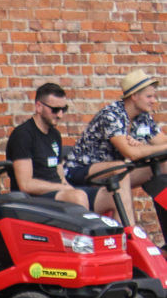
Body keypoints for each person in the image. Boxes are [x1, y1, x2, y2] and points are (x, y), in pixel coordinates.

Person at [6, 82, 118, 213]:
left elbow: (59, 173)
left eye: (63, 109)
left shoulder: (54, 134)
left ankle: (123, 233)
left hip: (57, 193)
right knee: (77, 196)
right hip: (33, 199)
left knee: (113, 196)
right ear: (39, 107)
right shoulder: (23, 135)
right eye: (55, 110)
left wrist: (67, 186)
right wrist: (63, 188)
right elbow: (26, 184)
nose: (60, 115)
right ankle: (83, 233)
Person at [64, 70, 167, 204]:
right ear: (134, 96)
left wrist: (144, 147)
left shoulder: (143, 116)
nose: (154, 101)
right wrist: (146, 148)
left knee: (164, 165)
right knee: (120, 169)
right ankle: (128, 224)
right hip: (80, 170)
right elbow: (131, 153)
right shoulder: (111, 115)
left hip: (112, 170)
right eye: (149, 96)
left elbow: (162, 142)